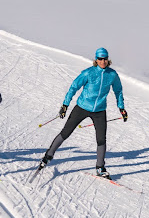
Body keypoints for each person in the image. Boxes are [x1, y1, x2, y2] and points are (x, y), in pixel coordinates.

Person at [37, 47, 127, 179]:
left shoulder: (112, 75)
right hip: (82, 107)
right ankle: (47, 157)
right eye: (100, 59)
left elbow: (118, 91)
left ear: (108, 60)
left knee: (101, 139)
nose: (103, 61)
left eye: (105, 59)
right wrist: (65, 105)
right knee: (66, 132)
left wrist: (121, 108)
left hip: (100, 110)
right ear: (96, 60)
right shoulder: (88, 73)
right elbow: (74, 86)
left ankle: (100, 167)